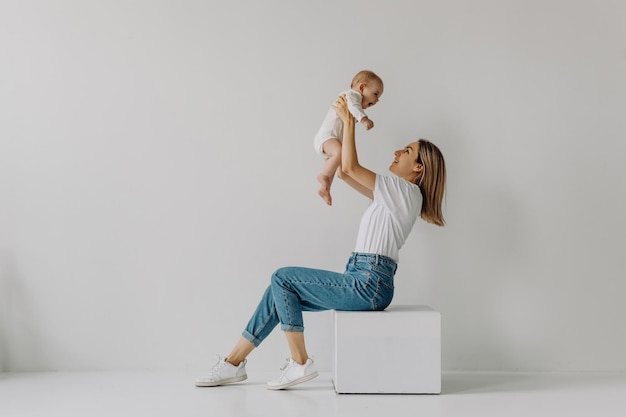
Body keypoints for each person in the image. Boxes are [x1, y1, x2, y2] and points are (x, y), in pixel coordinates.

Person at [195, 94, 447, 390]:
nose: (396, 152)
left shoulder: (404, 191)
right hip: (364, 278)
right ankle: (233, 364)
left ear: (418, 168)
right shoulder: (395, 195)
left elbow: (352, 168)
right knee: (276, 291)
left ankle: (300, 363)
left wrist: (350, 120)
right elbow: (343, 171)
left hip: (369, 283)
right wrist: (335, 134)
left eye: (406, 151)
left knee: (282, 277)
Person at [314, 70, 384, 206]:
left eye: (379, 97)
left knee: (336, 167)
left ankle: (326, 188)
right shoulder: (351, 95)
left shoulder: (353, 98)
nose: (376, 100)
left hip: (332, 140)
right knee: (340, 153)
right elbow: (354, 106)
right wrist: (364, 119)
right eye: (375, 94)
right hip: (327, 137)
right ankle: (323, 175)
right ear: (362, 88)